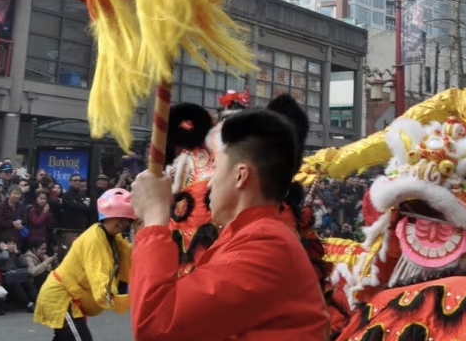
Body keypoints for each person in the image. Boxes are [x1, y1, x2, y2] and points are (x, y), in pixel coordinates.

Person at [130, 108, 331, 340]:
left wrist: (155, 218)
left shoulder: (267, 246)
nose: (208, 184)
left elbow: (155, 323)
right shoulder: (249, 237)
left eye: (215, 170)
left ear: (240, 175)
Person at [33, 188, 133, 341]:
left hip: (72, 299)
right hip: (61, 297)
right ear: (105, 215)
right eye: (117, 216)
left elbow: (130, 255)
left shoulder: (113, 237)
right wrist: (114, 297)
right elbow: (98, 271)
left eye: (126, 218)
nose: (122, 222)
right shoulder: (95, 238)